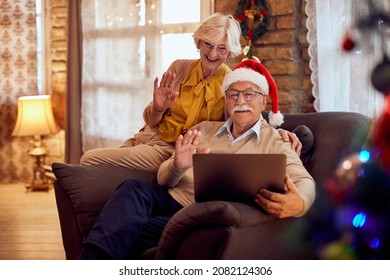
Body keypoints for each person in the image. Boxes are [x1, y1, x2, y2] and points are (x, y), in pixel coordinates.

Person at [78, 59, 315, 260]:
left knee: (119, 224)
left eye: (249, 94)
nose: (240, 100)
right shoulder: (204, 129)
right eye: (233, 94)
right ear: (226, 101)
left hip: (198, 214)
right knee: (133, 188)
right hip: (168, 198)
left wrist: (300, 203)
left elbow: (303, 180)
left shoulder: (275, 141)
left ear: (263, 101)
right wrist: (177, 166)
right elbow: (164, 179)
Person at [80, 12, 301, 173]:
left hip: (174, 152)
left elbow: (245, 115)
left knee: (89, 159)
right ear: (198, 42)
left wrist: (280, 133)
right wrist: (158, 107)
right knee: (102, 172)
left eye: (221, 48)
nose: (213, 53)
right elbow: (150, 120)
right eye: (208, 44)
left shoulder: (231, 82)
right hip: (146, 138)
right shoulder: (179, 68)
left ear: (230, 51)